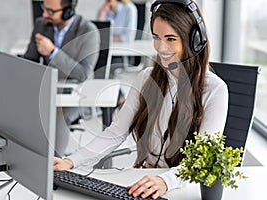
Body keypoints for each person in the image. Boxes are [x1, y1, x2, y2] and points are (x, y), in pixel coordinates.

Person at [54, 0, 228, 199]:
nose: (161, 48)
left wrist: (166, 181)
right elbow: (116, 132)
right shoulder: (146, 78)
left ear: (194, 41)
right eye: (156, 37)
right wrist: (72, 161)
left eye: (170, 39)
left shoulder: (215, 90)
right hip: (147, 182)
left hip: (184, 188)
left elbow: (202, 156)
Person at [23, 0, 100, 156]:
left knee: (57, 114)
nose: (45, 14)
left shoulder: (88, 31)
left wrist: (52, 52)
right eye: (44, 8)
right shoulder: (41, 24)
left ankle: (54, 165)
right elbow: (29, 61)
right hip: (47, 88)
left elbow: (82, 74)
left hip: (76, 96)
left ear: (68, 11)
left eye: (51, 11)